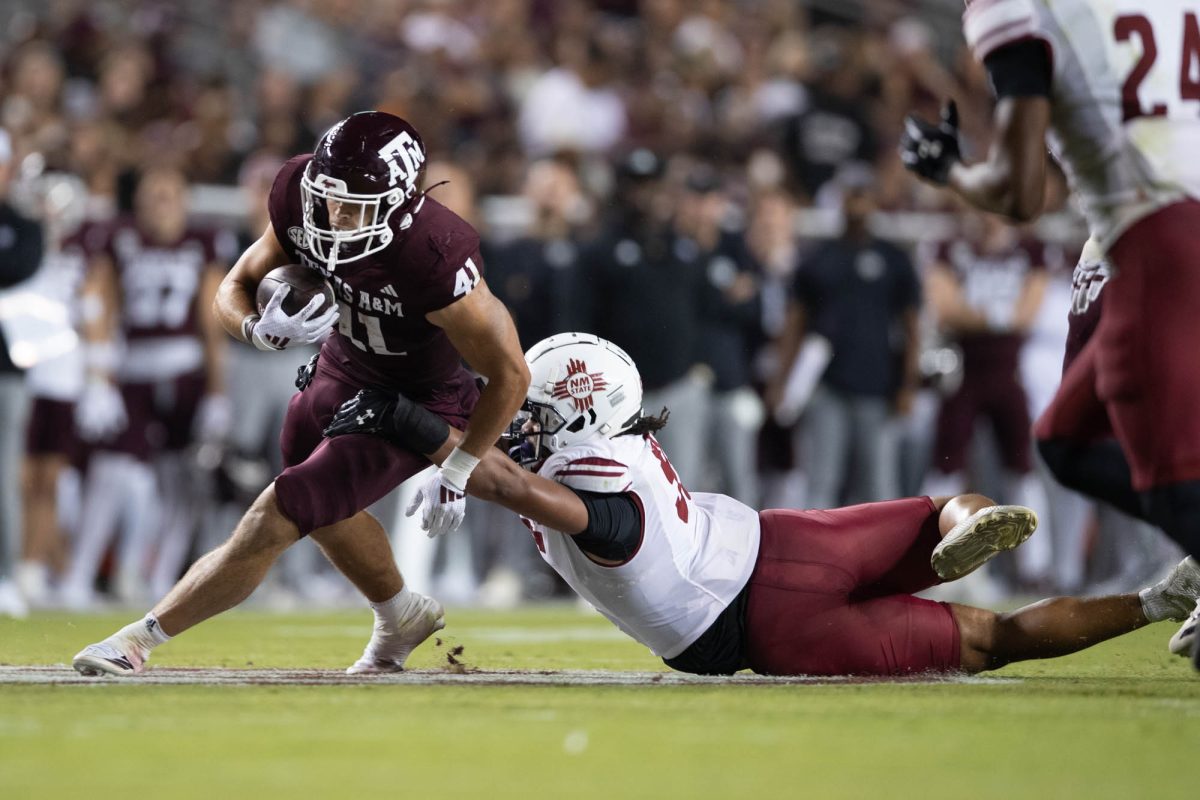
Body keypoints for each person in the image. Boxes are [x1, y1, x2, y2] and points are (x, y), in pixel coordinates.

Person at [327, 333, 1200, 677]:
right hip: (776, 544)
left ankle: (1162, 599)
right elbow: (499, 449)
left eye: (534, 413)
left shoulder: (592, 484)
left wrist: (409, 424)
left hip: (754, 624)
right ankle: (976, 527)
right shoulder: (611, 439)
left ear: (576, 418)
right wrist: (393, 405)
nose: (512, 421)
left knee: (990, 641)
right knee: (940, 510)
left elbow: (515, 481)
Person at [71, 111, 529, 677]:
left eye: (354, 205)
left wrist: (458, 469)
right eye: (328, 196)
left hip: (414, 398)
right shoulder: (298, 192)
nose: (335, 215)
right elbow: (232, 288)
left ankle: (139, 638)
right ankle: (399, 614)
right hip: (338, 369)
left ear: (399, 202)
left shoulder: (436, 252)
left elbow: (511, 373)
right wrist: (256, 330)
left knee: (286, 504)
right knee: (322, 508)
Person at [899, 0, 1200, 668]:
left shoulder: (1016, 8)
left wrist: (948, 170)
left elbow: (1020, 192)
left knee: (1147, 467)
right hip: (1156, 227)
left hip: (1161, 232)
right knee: (1068, 438)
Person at [59, 166, 233, 608]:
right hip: (133, 369)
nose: (161, 201)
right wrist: (100, 376)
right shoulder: (120, 239)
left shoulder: (203, 242)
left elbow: (210, 320)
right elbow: (102, 302)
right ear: (136, 200)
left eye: (169, 191)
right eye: (153, 192)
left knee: (183, 480)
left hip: (184, 370)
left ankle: (159, 580)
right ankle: (80, 574)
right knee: (113, 472)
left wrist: (217, 391)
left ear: (184, 198)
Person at [769, 165, 920, 509]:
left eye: (864, 195)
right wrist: (782, 379)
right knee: (822, 480)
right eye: (851, 195)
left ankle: (882, 561)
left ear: (875, 200)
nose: (857, 203)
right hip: (826, 385)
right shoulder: (818, 258)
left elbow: (911, 326)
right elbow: (795, 323)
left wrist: (908, 384)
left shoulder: (893, 259)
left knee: (878, 485)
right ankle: (817, 558)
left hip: (877, 386)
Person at [922, 212, 1054, 586]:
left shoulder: (1030, 249)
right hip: (964, 370)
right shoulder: (951, 246)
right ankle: (924, 555)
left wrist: (976, 313)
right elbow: (944, 308)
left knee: (1022, 468)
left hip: (1006, 372)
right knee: (946, 464)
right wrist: (1001, 314)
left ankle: (1034, 567)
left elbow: (1028, 314)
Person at [0, 128, 45, 619]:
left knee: (3, 476)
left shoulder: (20, 222)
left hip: (5, 370)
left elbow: (21, 265)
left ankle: (7, 575)